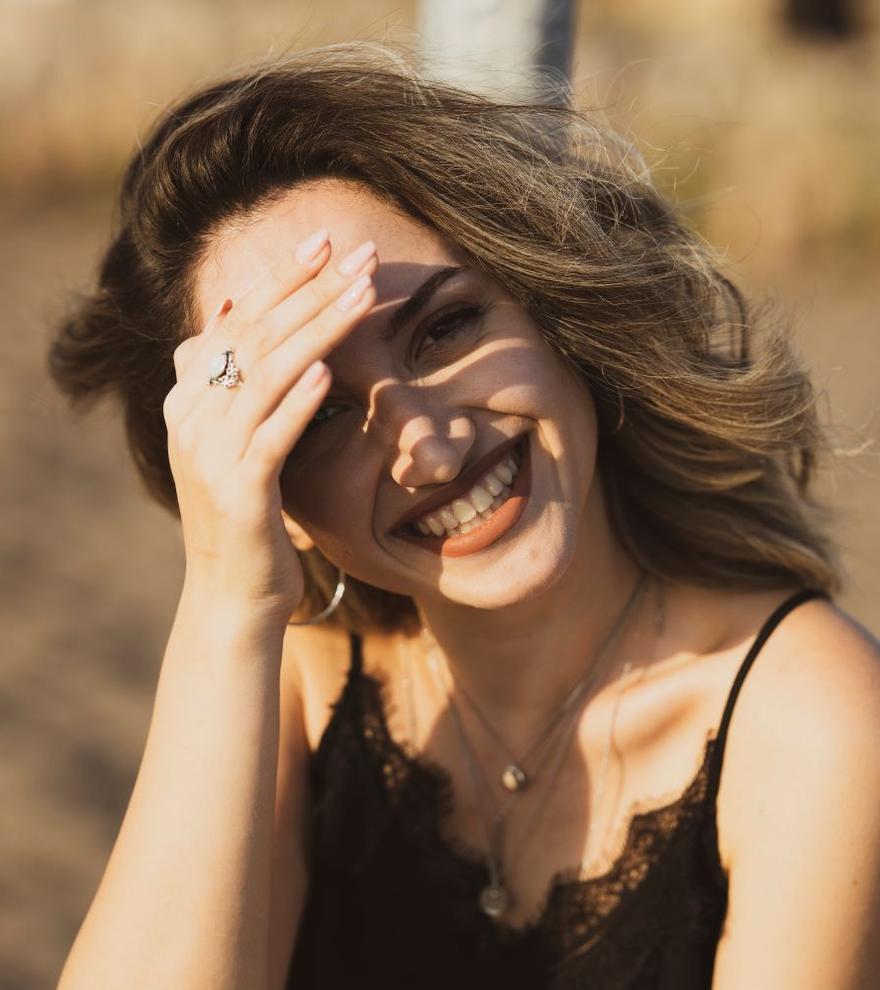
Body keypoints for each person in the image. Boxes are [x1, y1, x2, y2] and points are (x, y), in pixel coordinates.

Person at [47, 42, 879, 990]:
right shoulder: (295, 682)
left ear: (551, 305)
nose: (431, 447)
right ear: (264, 483)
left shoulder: (810, 722)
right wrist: (226, 606)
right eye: (314, 413)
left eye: (446, 327)